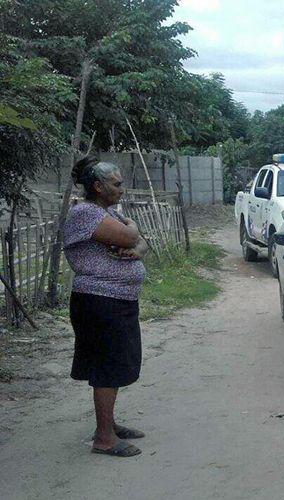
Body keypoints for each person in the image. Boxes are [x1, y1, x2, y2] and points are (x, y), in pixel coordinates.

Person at [63, 155, 150, 457]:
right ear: (98, 187)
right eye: (117, 184)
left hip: (115, 300)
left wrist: (136, 248)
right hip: (100, 301)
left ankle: (108, 425)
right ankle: (103, 438)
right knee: (107, 367)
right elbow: (130, 235)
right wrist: (133, 229)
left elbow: (141, 244)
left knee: (115, 364)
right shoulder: (85, 213)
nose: (122, 189)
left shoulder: (107, 211)